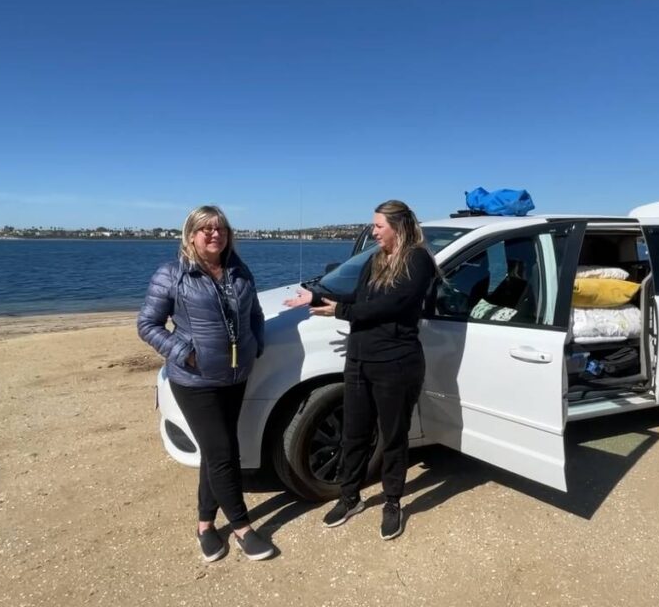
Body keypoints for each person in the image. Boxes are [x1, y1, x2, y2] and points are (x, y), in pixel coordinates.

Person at [283, 199, 436, 540]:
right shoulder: (376, 259)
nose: (373, 231)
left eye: (379, 226)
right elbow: (358, 295)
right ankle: (350, 497)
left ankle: (392, 502)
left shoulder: (418, 259)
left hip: (396, 363)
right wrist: (316, 298)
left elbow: (388, 305)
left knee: (394, 437)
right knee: (354, 433)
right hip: (359, 360)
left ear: (398, 226)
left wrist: (339, 311)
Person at [137, 205, 272, 562]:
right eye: (206, 229)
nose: (215, 234)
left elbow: (255, 313)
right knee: (224, 453)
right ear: (191, 235)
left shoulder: (239, 271)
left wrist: (256, 343)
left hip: (235, 376)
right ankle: (242, 527)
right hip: (195, 380)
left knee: (216, 453)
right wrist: (185, 353)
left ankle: (204, 524)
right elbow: (148, 324)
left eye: (221, 229)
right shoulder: (171, 274)